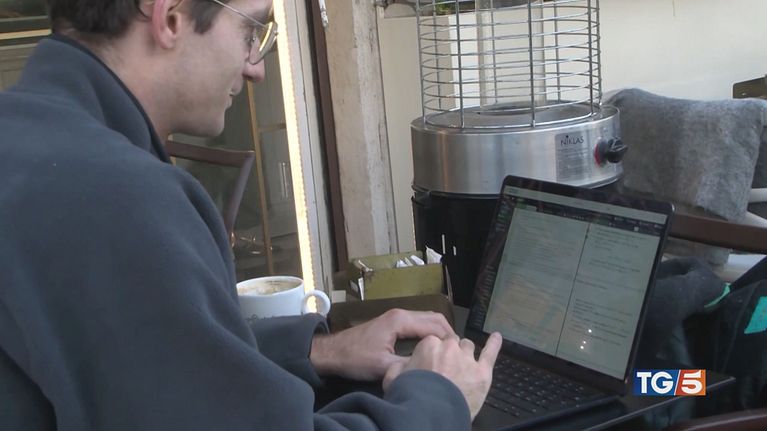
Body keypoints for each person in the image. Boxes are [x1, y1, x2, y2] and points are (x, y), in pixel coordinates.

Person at [0, 0, 502, 429]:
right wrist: (438, 397)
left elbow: (149, 361)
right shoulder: (119, 200)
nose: (256, 67)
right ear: (170, 16)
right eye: (250, 30)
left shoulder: (26, 142)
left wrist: (319, 350)